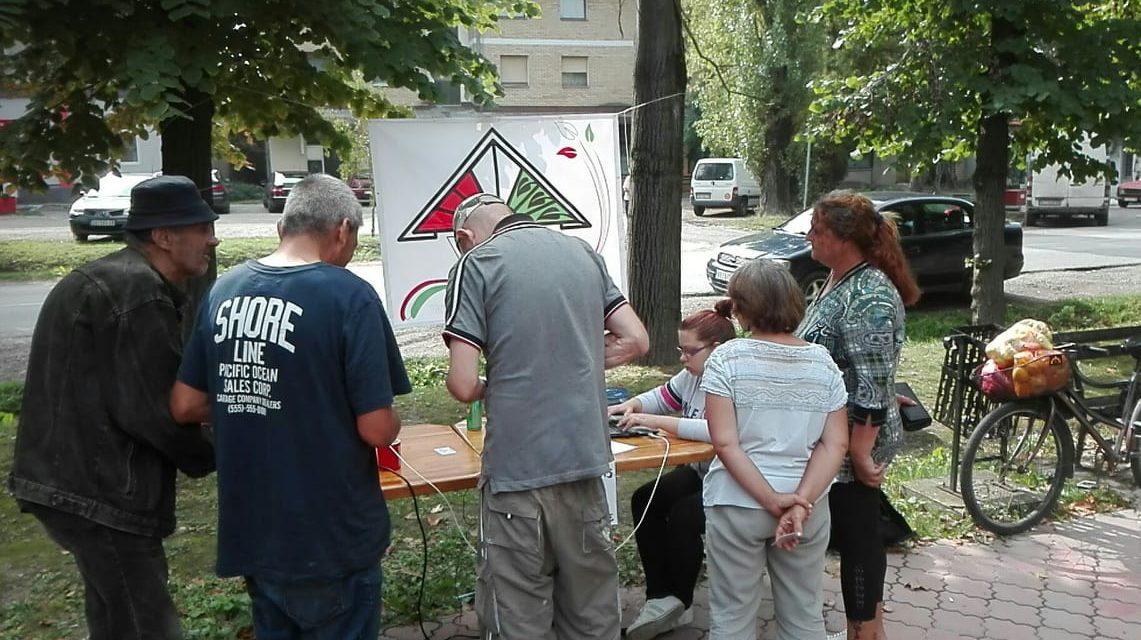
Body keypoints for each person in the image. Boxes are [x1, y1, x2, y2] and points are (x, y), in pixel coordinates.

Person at [170, 174, 411, 639]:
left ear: (284, 226)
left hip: (255, 529)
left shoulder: (225, 290)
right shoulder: (348, 295)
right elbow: (378, 429)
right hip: (330, 533)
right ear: (342, 230)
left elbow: (186, 403)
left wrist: (261, 399)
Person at [8, 175, 219, 640]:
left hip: (71, 484)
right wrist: (222, 452)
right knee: (146, 627)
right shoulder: (135, 293)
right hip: (100, 494)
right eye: (202, 228)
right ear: (163, 237)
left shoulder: (113, 279)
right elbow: (156, 411)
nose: (213, 238)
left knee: (115, 620)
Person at [444, 193, 649, 640]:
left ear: (465, 236)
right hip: (585, 464)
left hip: (517, 474)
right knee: (593, 613)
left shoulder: (475, 264)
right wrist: (572, 363)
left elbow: (462, 384)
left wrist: (498, 383)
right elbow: (636, 339)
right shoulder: (582, 253)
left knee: (517, 614)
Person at [795, 190, 921, 640]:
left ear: (843, 239)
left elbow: (870, 383)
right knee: (856, 534)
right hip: (841, 435)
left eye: (817, 230)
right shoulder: (839, 278)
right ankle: (866, 630)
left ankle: (866, 632)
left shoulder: (869, 295)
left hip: (853, 442)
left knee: (859, 538)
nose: (809, 235)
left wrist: (863, 453)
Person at [700, 259, 848, 640]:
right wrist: (799, 501)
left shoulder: (727, 359)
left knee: (731, 617)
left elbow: (725, 442)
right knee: (803, 616)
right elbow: (835, 444)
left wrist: (771, 500)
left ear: (742, 309)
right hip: (808, 508)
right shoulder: (823, 364)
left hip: (737, 503)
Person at [608, 303, 737, 640]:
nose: (683, 357)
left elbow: (714, 430)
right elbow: (663, 395)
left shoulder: (730, 380)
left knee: (684, 515)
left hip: (732, 479)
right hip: (702, 470)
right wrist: (633, 405)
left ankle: (680, 601)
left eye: (690, 351)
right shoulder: (693, 375)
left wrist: (654, 421)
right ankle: (660, 596)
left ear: (716, 350)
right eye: (681, 350)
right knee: (645, 498)